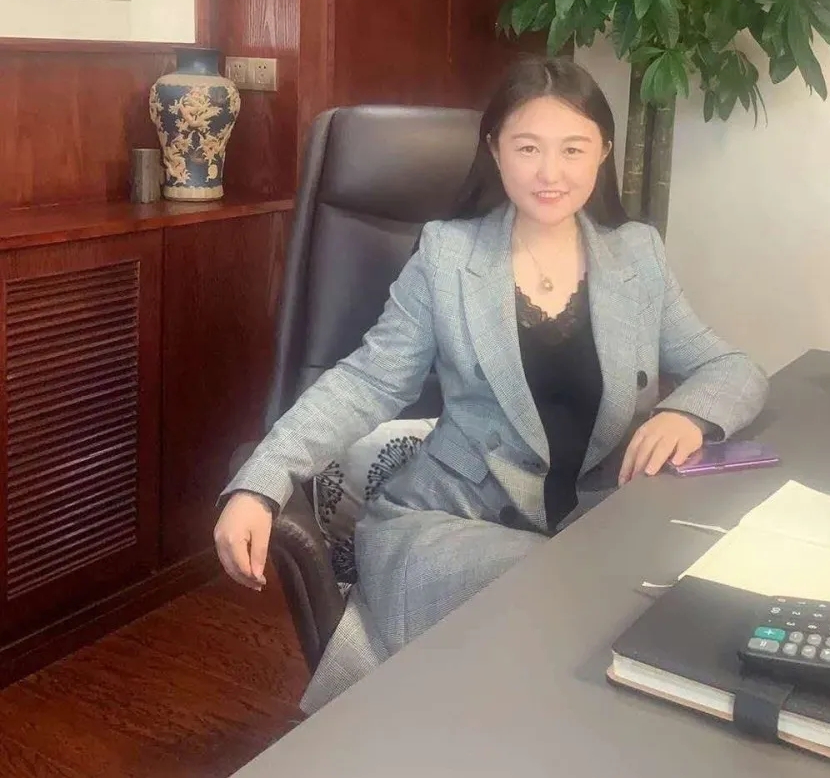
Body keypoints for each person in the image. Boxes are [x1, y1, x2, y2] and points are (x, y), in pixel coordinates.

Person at [213, 55, 768, 713]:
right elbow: (365, 382)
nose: (551, 172)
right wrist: (263, 479)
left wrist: (687, 415)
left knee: (681, 616)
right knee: (582, 607)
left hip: (593, 529)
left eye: (573, 148)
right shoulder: (448, 255)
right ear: (496, 150)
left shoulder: (637, 257)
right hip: (451, 524)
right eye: (528, 147)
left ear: (603, 153)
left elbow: (734, 368)